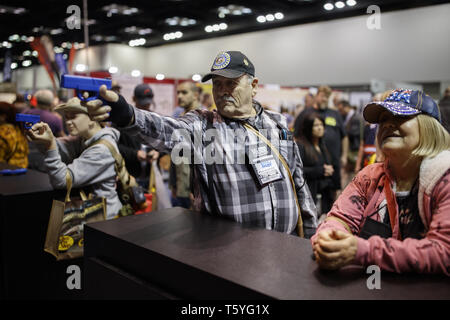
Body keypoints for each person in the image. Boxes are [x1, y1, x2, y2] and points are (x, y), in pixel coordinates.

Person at [85, 50, 317, 238]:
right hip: (232, 253)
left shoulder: (276, 123)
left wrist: (309, 233)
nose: (223, 91)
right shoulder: (204, 126)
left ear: (253, 85)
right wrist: (125, 113)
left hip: (287, 245)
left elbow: (298, 182)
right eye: (217, 84)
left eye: (231, 83)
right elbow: (166, 130)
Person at [311, 89, 450, 274]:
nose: (388, 124)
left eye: (400, 116)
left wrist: (364, 251)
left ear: (428, 126)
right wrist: (329, 238)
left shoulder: (444, 176)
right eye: (383, 119)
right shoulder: (370, 176)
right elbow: (339, 219)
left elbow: (444, 252)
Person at [26, 97, 122, 219]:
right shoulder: (84, 139)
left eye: (73, 116)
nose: (68, 122)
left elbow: (61, 180)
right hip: (92, 212)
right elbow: (60, 146)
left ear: (92, 118)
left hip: (104, 220)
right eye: (67, 117)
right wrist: (43, 139)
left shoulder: (101, 150)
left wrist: (50, 145)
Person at [294, 86, 348, 200]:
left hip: (332, 159)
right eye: (323, 96)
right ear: (317, 96)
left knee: (332, 194)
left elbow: (344, 136)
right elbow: (296, 135)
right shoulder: (306, 113)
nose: (325, 99)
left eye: (327, 97)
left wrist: (344, 156)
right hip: (311, 160)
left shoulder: (335, 114)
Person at [169, 81, 203, 208]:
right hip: (180, 183)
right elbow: (175, 151)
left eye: (184, 92)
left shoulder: (204, 118)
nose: (179, 96)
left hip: (195, 188)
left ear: (195, 95)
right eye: (178, 92)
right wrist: (173, 182)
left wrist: (196, 188)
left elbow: (203, 157)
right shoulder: (179, 118)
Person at [296, 113, 334, 218]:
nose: (320, 128)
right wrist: (320, 171)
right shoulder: (301, 145)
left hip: (324, 196)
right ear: (308, 128)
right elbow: (298, 171)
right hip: (309, 196)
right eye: (316, 125)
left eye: (321, 125)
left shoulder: (322, 145)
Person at [336, 100, 360, 186]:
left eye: (341, 109)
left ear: (346, 107)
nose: (340, 112)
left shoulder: (356, 117)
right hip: (350, 149)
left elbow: (355, 132)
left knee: (354, 173)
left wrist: (342, 131)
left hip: (354, 149)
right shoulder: (346, 117)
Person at [0, 102, 29, 168]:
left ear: (3, 117)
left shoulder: (2, 134)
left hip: (6, 173)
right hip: (22, 171)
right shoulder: (19, 131)